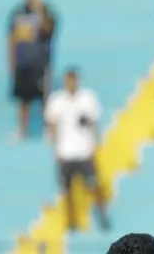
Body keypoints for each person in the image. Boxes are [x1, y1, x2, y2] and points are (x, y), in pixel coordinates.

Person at [44, 67, 110, 232]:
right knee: (67, 191)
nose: (71, 83)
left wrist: (95, 144)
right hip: (65, 152)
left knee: (95, 186)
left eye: (74, 79)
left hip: (84, 152)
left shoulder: (88, 98)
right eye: (68, 79)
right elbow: (52, 126)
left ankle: (103, 216)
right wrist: (56, 149)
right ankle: (71, 222)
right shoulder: (57, 100)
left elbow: (95, 123)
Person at [7, 0, 56, 140]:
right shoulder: (17, 12)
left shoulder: (46, 10)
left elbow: (49, 30)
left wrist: (38, 9)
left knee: (44, 99)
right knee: (23, 99)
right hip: (23, 62)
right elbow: (11, 39)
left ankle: (48, 130)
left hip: (40, 63)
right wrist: (12, 62)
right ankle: (22, 129)